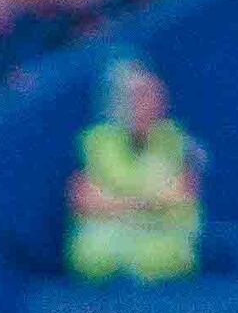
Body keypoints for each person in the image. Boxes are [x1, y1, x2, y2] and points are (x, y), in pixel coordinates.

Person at [65, 60, 203, 283]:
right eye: (133, 97)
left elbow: (181, 195)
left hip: (162, 239)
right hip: (110, 241)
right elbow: (86, 199)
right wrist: (147, 201)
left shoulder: (176, 140)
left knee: (164, 254)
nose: (141, 104)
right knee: (93, 251)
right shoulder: (97, 140)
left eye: (147, 96)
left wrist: (118, 199)